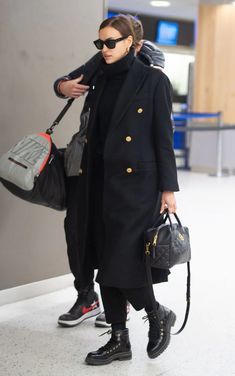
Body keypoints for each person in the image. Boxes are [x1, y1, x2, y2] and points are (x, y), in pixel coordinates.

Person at [62, 14, 179, 365]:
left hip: (136, 185)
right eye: (101, 43)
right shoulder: (99, 78)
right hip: (97, 180)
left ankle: (157, 313)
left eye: (111, 42)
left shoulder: (153, 81)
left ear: (131, 42)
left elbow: (163, 138)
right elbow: (66, 86)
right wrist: (61, 85)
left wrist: (168, 189)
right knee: (102, 259)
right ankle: (119, 339)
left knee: (121, 259)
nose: (105, 49)